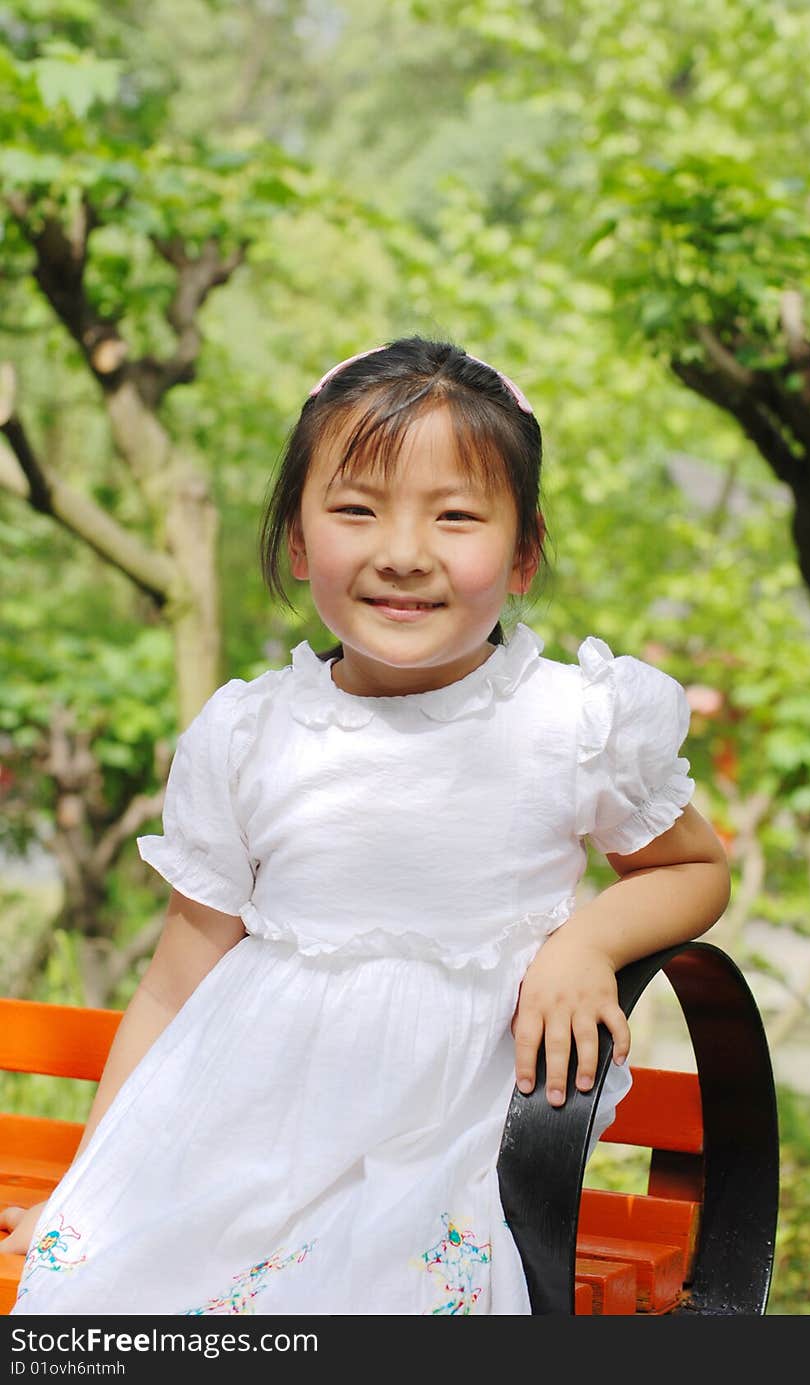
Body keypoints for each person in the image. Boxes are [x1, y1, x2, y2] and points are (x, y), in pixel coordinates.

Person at [2, 336, 730, 1315]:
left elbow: (694, 871)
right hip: (233, 1144)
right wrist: (88, 1193)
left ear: (522, 554)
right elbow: (176, 985)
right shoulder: (249, 733)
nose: (401, 551)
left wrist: (586, 939)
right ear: (300, 543)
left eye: (456, 516)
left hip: (432, 1147)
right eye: (355, 509)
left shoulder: (571, 723)